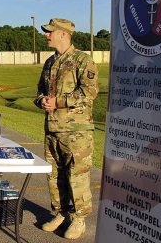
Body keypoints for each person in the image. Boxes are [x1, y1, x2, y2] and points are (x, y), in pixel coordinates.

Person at [36, 18, 98, 240]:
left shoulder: (82, 60)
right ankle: (61, 213)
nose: (47, 35)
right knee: (54, 175)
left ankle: (79, 218)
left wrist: (59, 102)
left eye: (50, 32)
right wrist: (42, 101)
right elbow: (39, 92)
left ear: (64, 34)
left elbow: (89, 92)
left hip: (76, 132)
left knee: (77, 175)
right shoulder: (49, 62)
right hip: (52, 129)